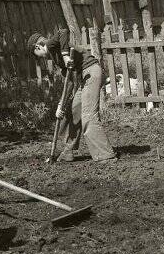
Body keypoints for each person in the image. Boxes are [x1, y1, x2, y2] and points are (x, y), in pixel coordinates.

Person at [27, 29, 116, 163]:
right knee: (73, 111)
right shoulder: (54, 54)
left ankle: (105, 155)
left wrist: (65, 56)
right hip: (83, 78)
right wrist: (61, 105)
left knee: (88, 116)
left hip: (91, 72)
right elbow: (69, 82)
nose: (41, 58)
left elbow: (63, 31)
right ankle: (68, 151)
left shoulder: (50, 45)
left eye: (37, 54)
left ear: (37, 47)